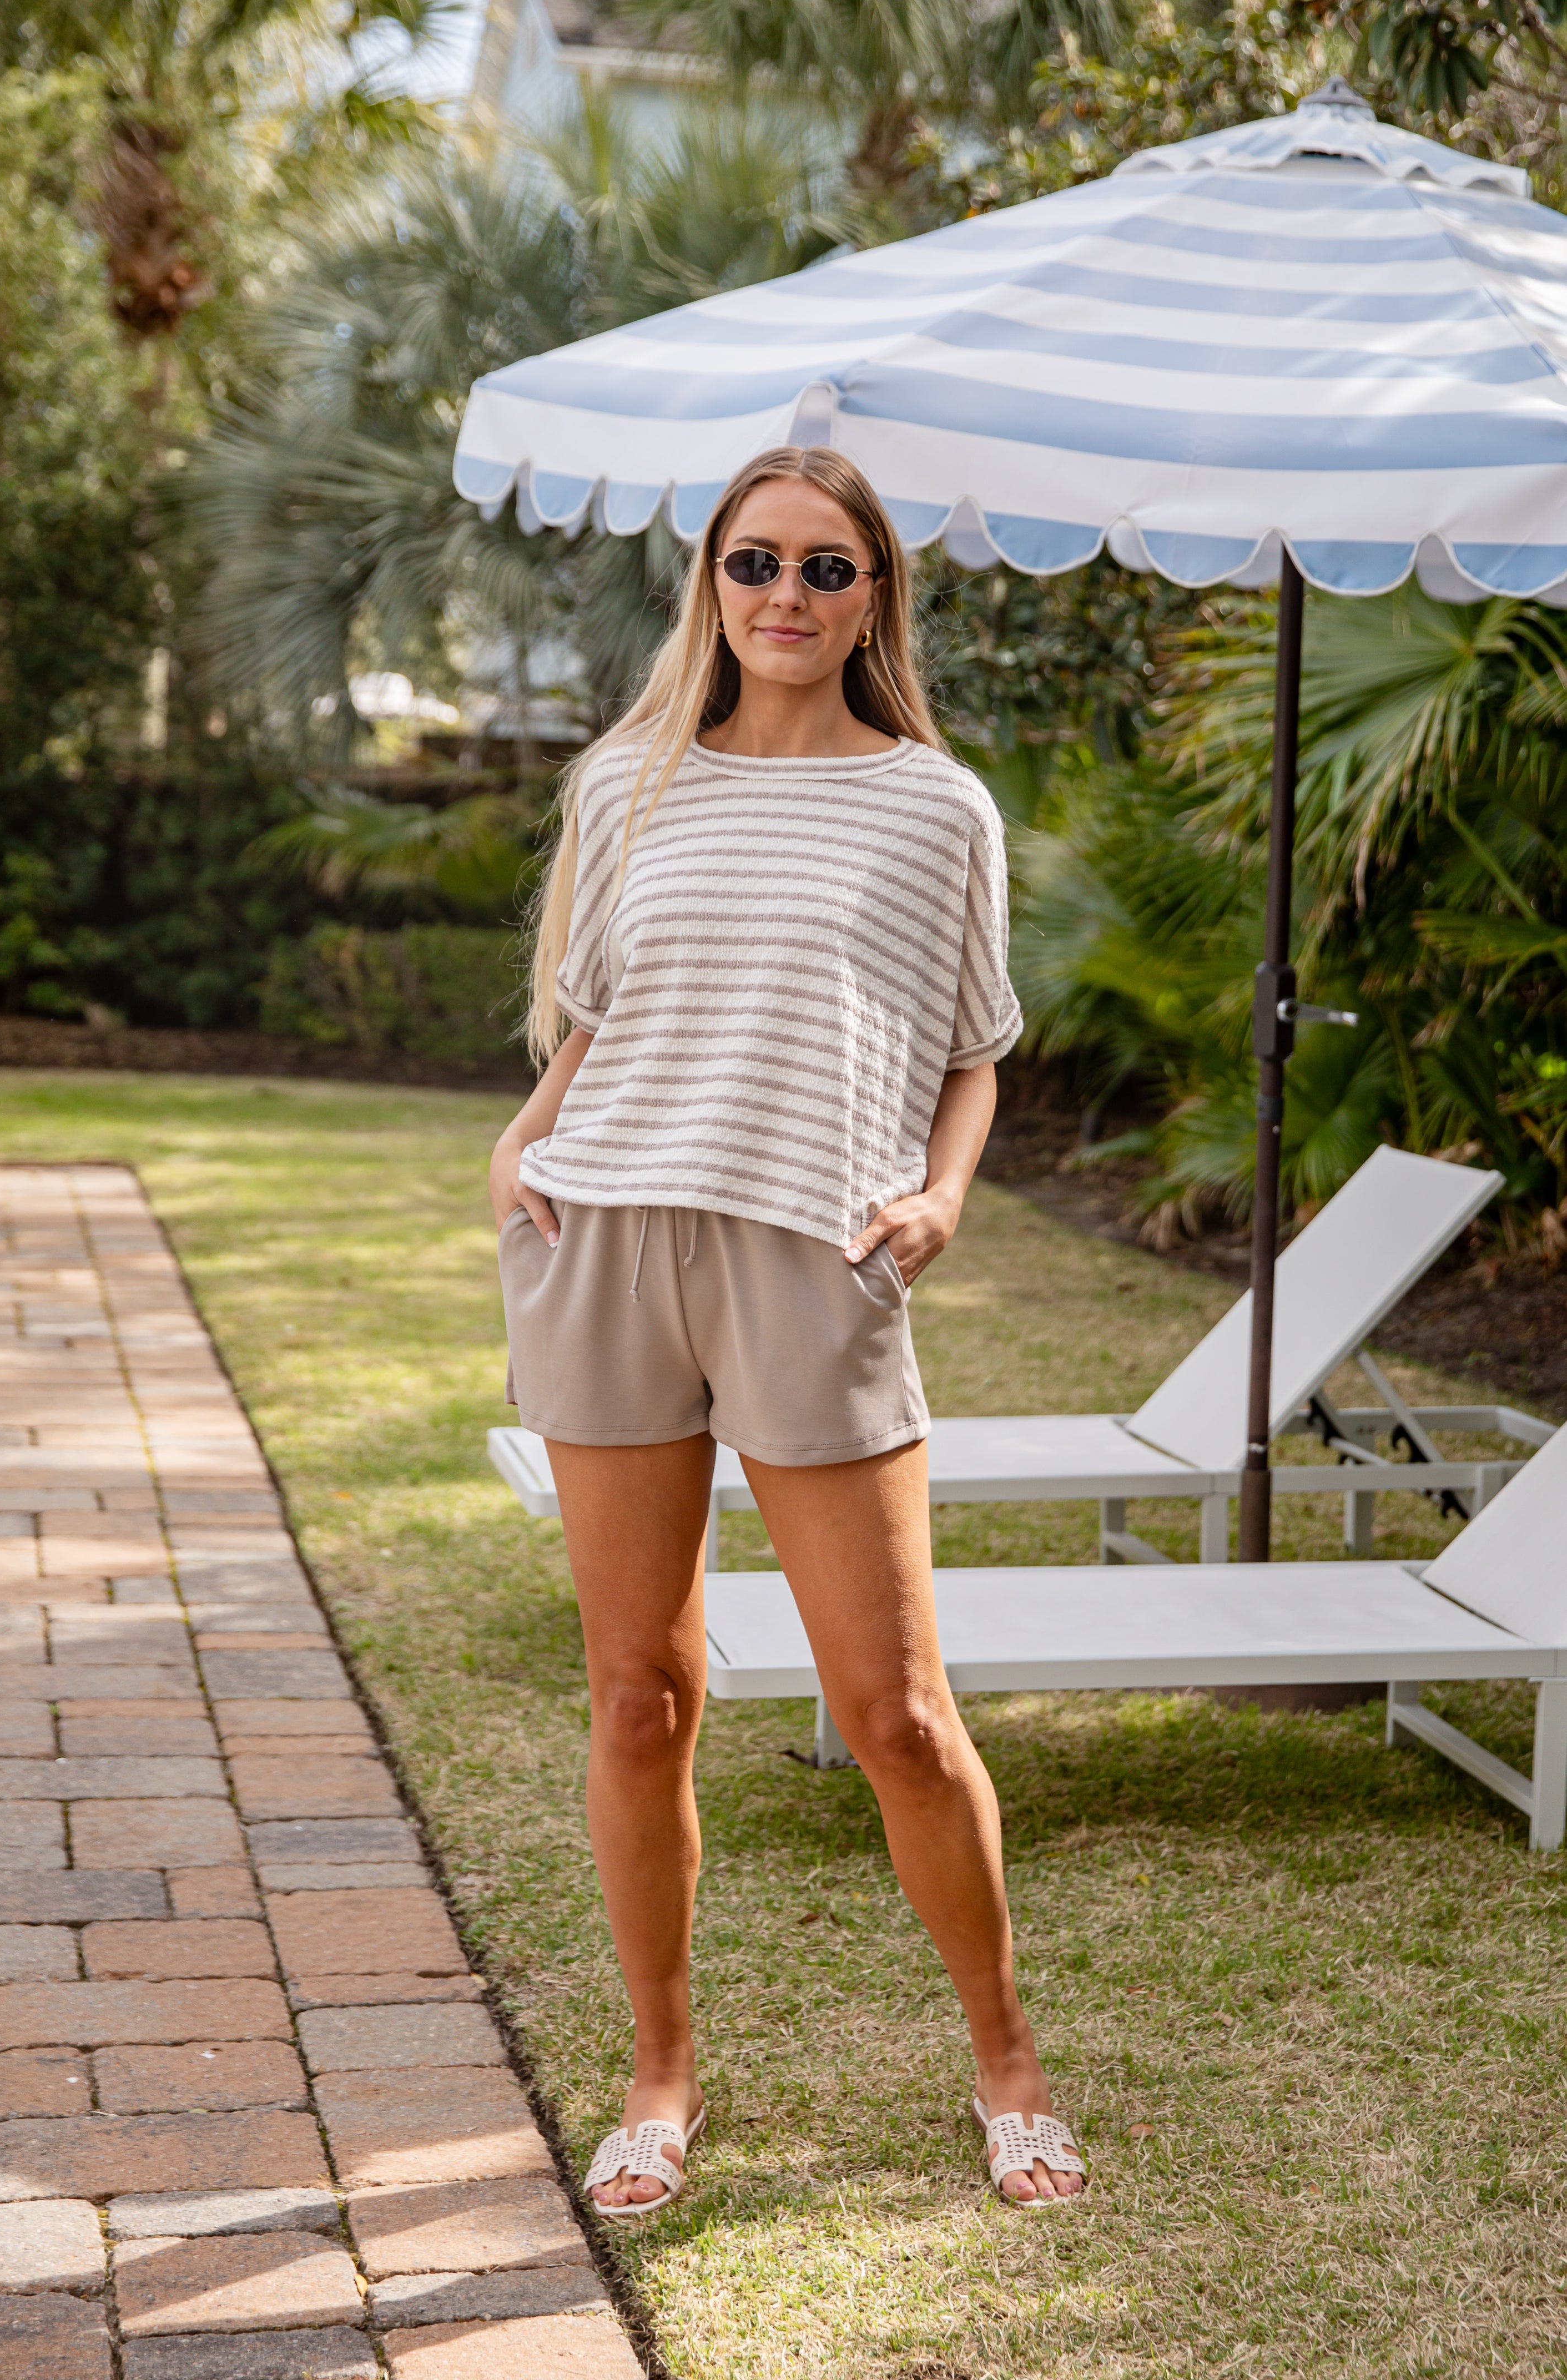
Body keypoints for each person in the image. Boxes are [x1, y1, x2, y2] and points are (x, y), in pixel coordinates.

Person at [488, 445, 1087, 2218]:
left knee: (894, 1709)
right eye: (757, 564)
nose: (789, 599)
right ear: (711, 585)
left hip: (812, 1257)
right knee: (637, 1693)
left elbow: (974, 1041)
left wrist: (946, 1193)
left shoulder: (933, 807)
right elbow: (595, 1010)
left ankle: (1006, 2064)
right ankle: (659, 2077)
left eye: (829, 571)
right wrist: (522, 1137)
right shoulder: (629, 781)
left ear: (877, 595)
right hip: (606, 1240)